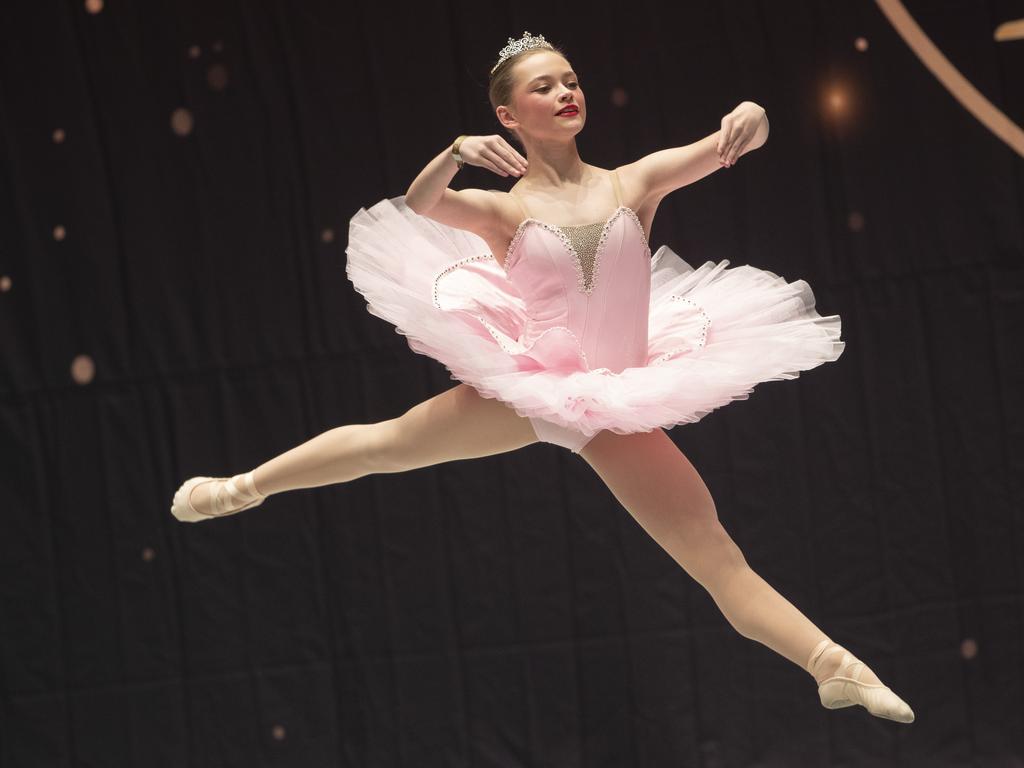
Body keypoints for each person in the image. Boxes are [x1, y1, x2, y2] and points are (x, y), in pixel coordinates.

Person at [170, 31, 914, 723]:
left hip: (617, 402)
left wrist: (750, 114)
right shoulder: (502, 208)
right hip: (531, 386)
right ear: (508, 114)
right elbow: (423, 203)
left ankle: (833, 665)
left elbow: (724, 146)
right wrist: (453, 151)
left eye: (572, 81)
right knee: (386, 445)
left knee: (714, 553)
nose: (565, 93)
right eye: (544, 87)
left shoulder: (634, 181)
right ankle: (244, 486)